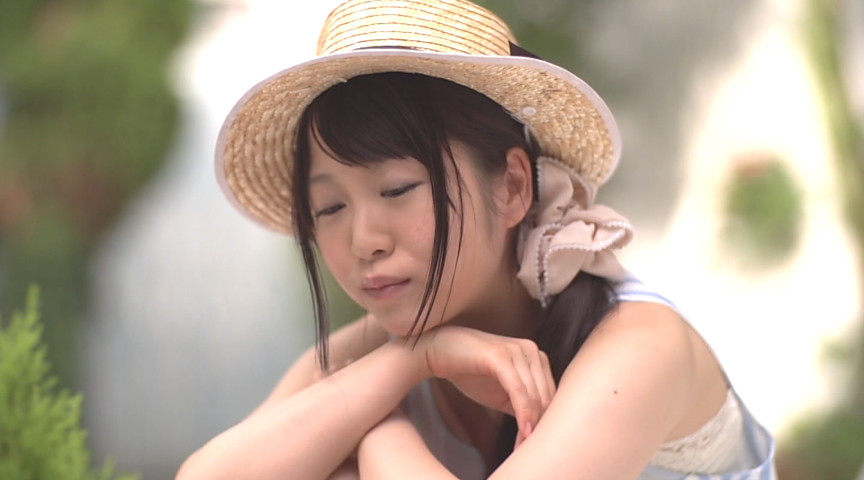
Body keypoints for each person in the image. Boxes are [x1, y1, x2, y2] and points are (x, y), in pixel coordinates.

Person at [177, 0, 777, 478]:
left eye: (397, 189)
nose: (363, 241)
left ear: (512, 186)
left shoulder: (639, 346)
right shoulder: (379, 349)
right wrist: (413, 360)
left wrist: (371, 429)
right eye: (329, 207)